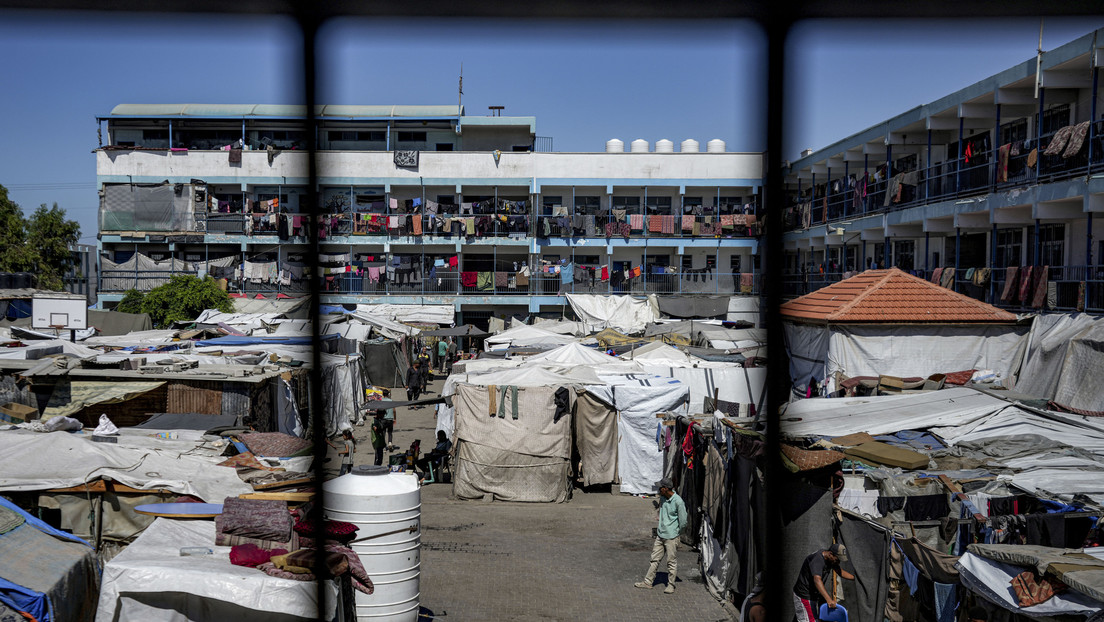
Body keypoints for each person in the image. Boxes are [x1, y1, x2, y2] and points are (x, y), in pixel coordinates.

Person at [634, 477, 687, 594]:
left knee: (671, 562)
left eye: (660, 488)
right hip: (660, 535)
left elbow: (683, 521)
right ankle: (648, 582)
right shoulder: (663, 498)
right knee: (654, 559)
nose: (658, 490)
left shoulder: (678, 501)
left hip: (671, 536)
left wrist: (677, 533)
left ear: (665, 488)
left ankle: (671, 585)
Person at [792, 543, 855, 622]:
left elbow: (839, 571)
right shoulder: (817, 559)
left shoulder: (831, 560)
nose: (838, 562)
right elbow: (817, 579)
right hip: (804, 595)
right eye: (837, 559)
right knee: (810, 620)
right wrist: (829, 600)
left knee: (808, 617)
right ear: (830, 554)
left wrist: (854, 578)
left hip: (814, 594)